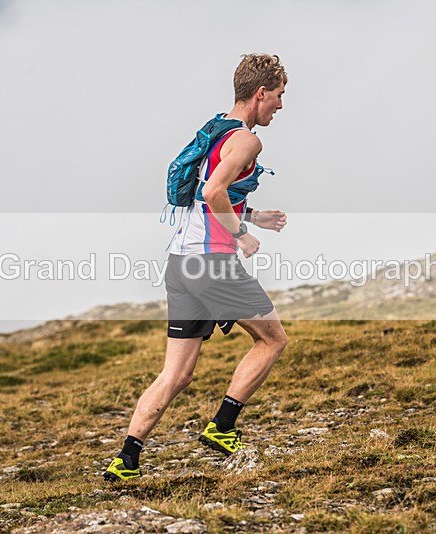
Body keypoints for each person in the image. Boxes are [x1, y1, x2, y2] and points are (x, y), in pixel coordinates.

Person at [105, 53, 289, 481]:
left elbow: (210, 196)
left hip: (180, 263)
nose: (280, 106)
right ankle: (222, 427)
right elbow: (212, 191)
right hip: (211, 263)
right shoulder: (246, 139)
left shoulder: (215, 129)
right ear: (260, 93)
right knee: (272, 340)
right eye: (279, 96)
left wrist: (252, 217)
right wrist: (241, 235)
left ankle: (126, 459)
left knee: (177, 373)